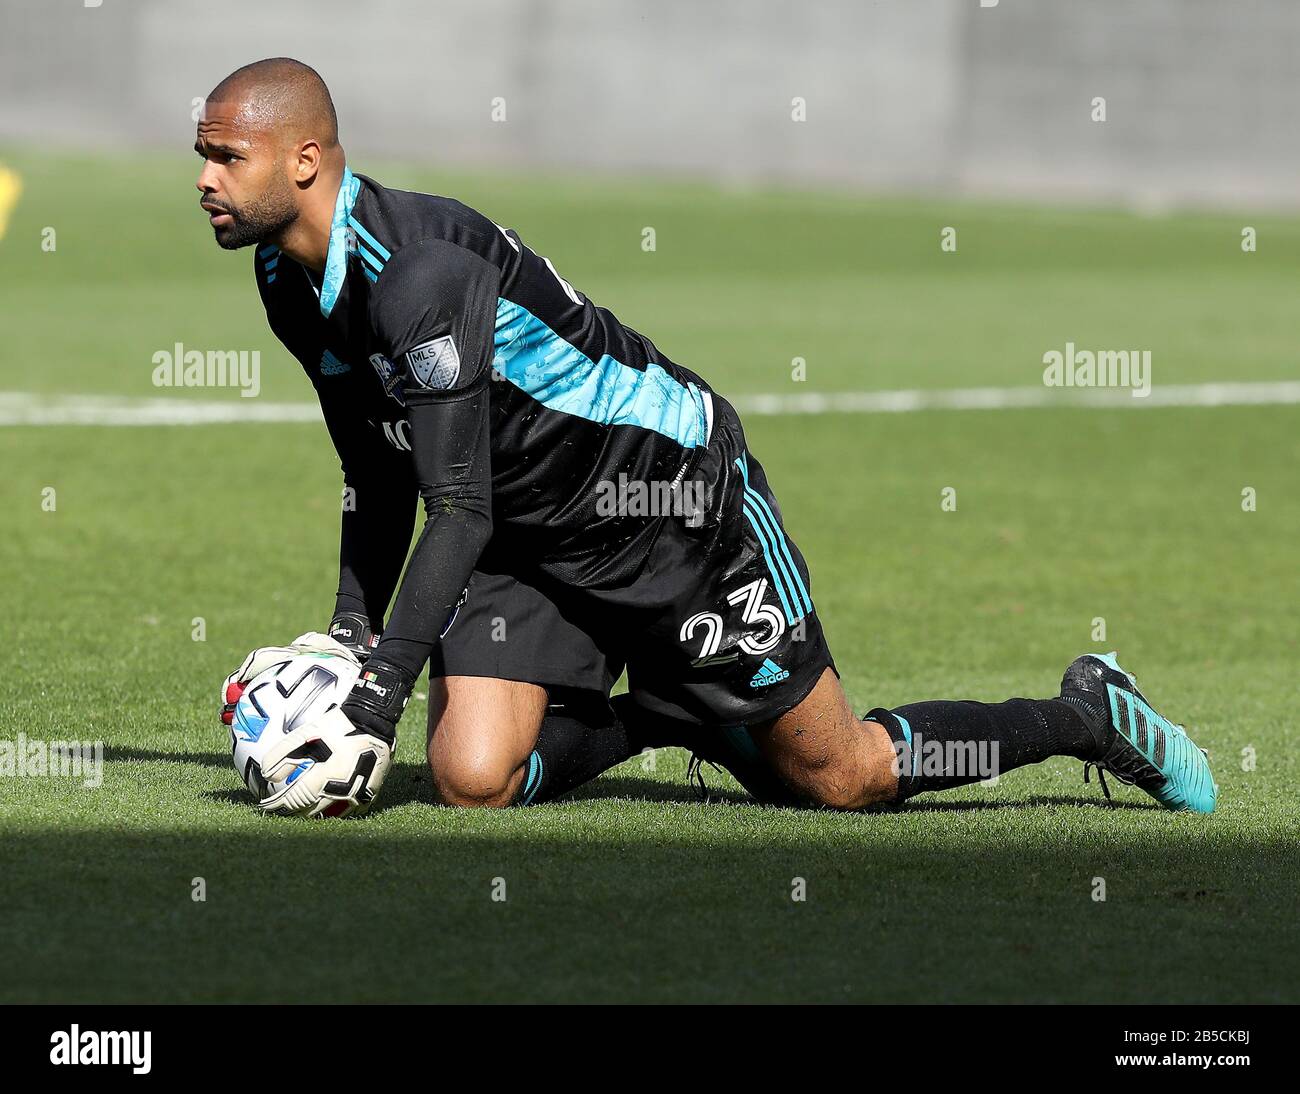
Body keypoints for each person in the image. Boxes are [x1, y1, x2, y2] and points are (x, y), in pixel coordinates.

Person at [203, 58, 1215, 816]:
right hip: (533, 530)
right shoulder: (284, 278)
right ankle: (669, 709)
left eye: (224, 155)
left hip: (672, 504)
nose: (204, 178)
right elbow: (375, 470)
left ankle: (1082, 712)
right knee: (473, 778)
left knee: (840, 777)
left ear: (305, 159)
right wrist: (346, 632)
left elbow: (454, 508)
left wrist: (378, 690)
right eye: (202, 154)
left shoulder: (419, 274)